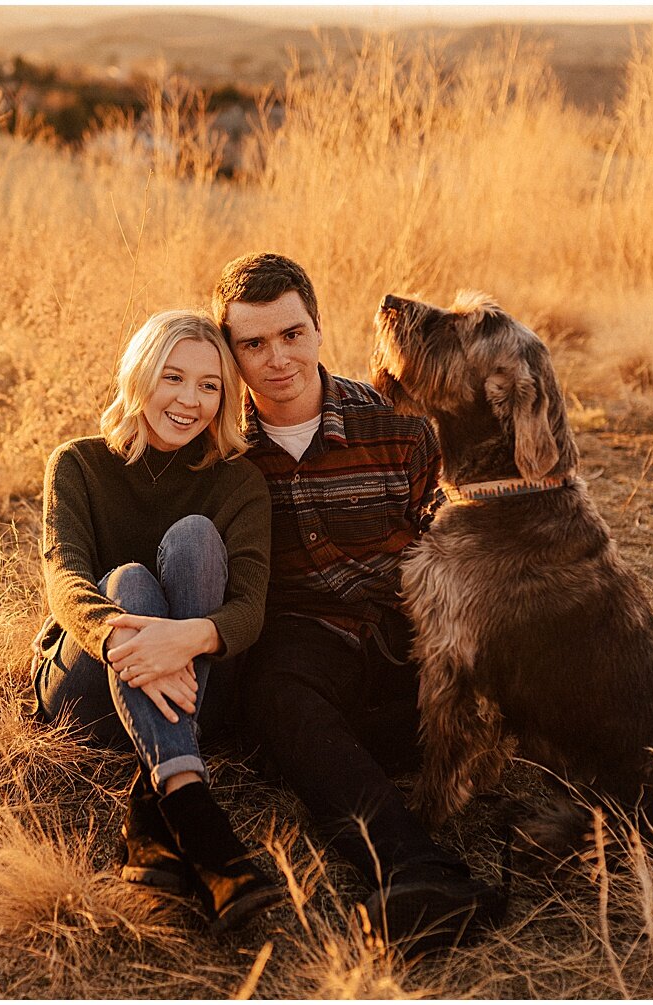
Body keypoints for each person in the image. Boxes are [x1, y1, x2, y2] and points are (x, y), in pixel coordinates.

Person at [211, 253, 504, 956]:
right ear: (231, 354)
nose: (276, 358)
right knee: (278, 698)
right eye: (252, 344)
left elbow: (453, 543)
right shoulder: (224, 452)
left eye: (290, 334)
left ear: (318, 327)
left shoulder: (398, 429)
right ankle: (414, 871)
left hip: (406, 633)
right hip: (307, 646)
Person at [32, 309, 283, 932]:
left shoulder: (239, 483)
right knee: (126, 584)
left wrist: (186, 637)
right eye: (172, 377)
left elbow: (248, 609)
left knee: (196, 538)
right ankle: (198, 812)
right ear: (140, 375)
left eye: (209, 385)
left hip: (198, 684)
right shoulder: (78, 464)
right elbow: (65, 580)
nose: (189, 401)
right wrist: (120, 629)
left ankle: (166, 805)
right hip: (87, 685)